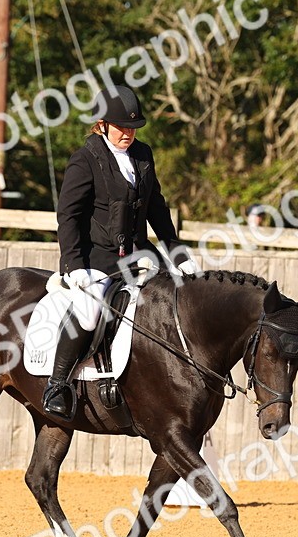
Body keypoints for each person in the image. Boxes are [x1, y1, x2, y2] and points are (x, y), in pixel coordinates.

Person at [44, 84, 198, 419]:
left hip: (139, 255)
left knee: (177, 299)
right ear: (101, 124)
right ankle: (57, 384)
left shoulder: (143, 155)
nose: (128, 133)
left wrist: (178, 254)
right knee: (88, 311)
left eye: (132, 127)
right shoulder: (85, 160)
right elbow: (67, 215)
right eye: (122, 127)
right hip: (96, 257)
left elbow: (157, 209)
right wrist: (74, 264)